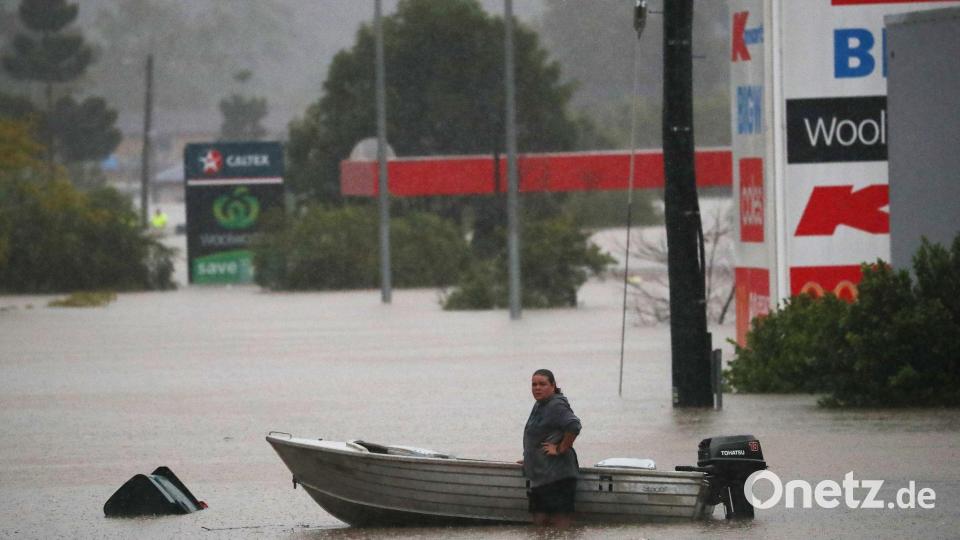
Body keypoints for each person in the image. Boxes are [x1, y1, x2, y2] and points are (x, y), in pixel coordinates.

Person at [521, 368, 581, 528]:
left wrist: (561, 448)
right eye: (534, 384)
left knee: (559, 527)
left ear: (553, 386)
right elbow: (540, 434)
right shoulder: (540, 404)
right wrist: (530, 457)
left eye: (542, 384)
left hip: (558, 477)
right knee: (539, 526)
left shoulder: (556, 404)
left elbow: (574, 425)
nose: (537, 388)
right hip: (541, 476)